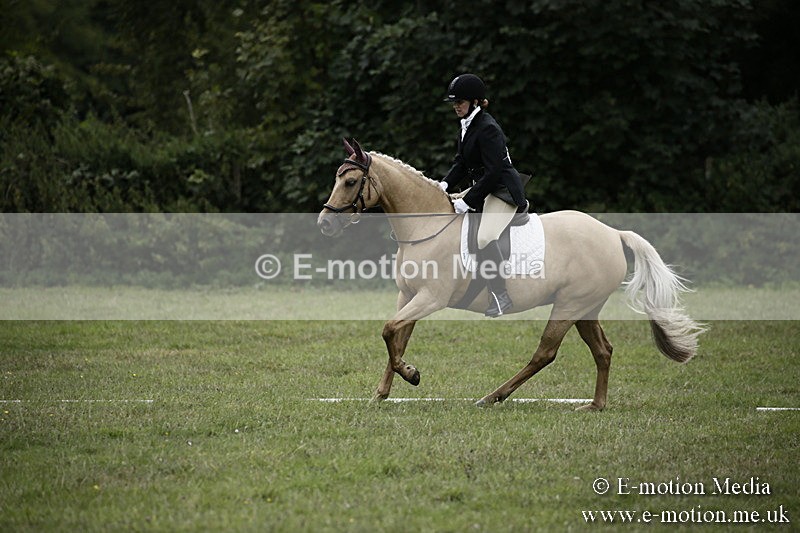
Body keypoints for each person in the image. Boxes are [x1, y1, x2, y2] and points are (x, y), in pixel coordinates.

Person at [438, 73, 528, 317]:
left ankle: (501, 296)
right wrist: (444, 186)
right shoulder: (467, 125)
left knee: (485, 237)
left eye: (461, 102)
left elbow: (494, 172)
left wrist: (467, 201)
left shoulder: (488, 128)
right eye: (454, 102)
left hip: (503, 190)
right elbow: (461, 163)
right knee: (441, 206)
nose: (456, 106)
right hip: (484, 185)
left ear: (476, 102)